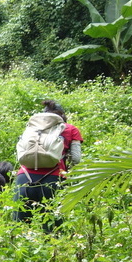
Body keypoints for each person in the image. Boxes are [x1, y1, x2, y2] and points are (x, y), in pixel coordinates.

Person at [12, 99, 82, 232]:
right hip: (53, 179)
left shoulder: (33, 127)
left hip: (24, 178)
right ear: (62, 116)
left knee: (19, 228)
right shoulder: (70, 129)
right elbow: (77, 158)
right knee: (53, 228)